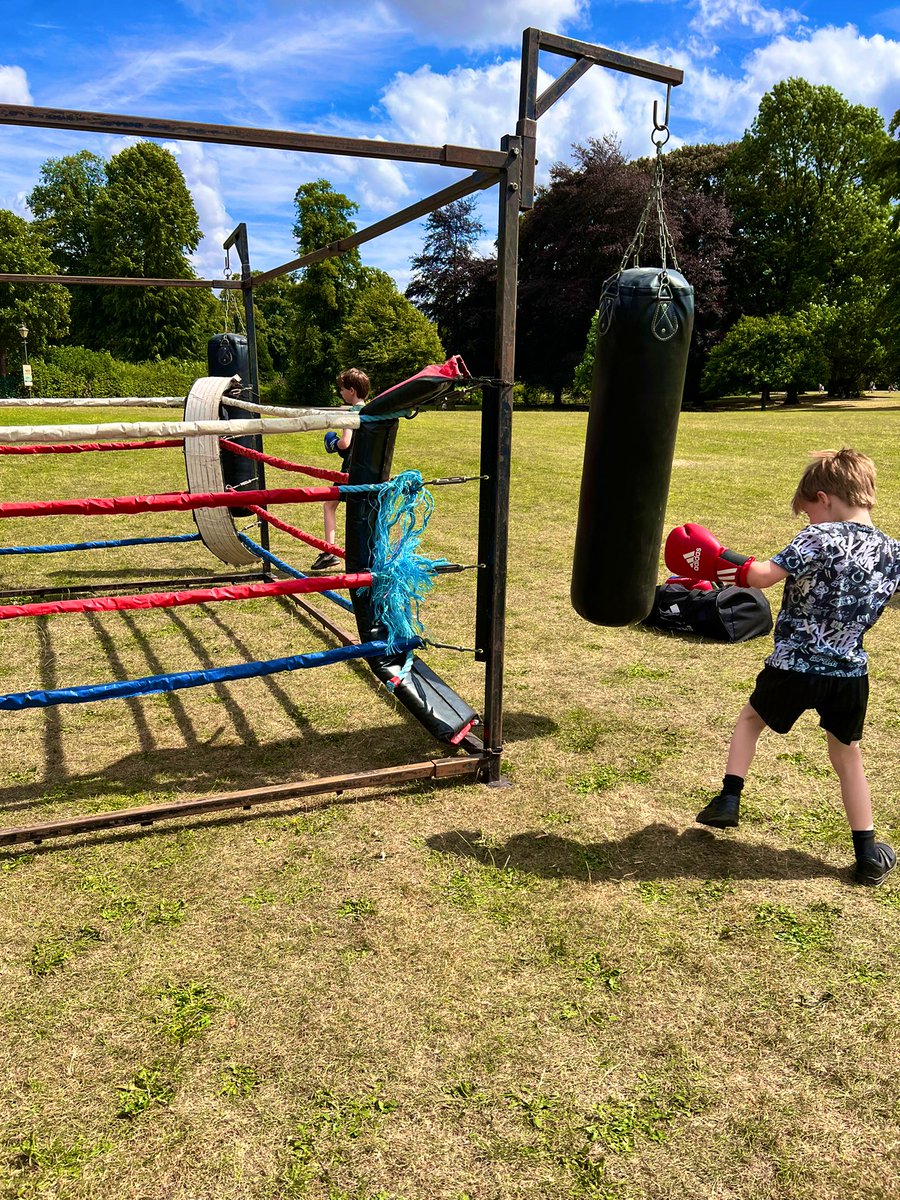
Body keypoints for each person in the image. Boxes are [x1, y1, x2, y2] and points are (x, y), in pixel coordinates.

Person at [665, 448, 900, 886]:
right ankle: (868, 853)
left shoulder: (818, 537)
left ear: (825, 498)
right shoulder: (893, 550)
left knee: (751, 719)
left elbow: (762, 577)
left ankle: (729, 799)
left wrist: (722, 556)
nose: (808, 522)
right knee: (846, 754)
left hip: (793, 665)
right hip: (850, 674)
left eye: (809, 513)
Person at [309, 367, 370, 572]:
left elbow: (345, 443)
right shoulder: (371, 410)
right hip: (369, 468)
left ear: (351, 390)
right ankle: (367, 555)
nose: (340, 393)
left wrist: (333, 443)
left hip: (350, 469)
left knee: (329, 505)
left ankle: (330, 551)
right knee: (364, 511)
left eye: (342, 389)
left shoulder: (351, 413)